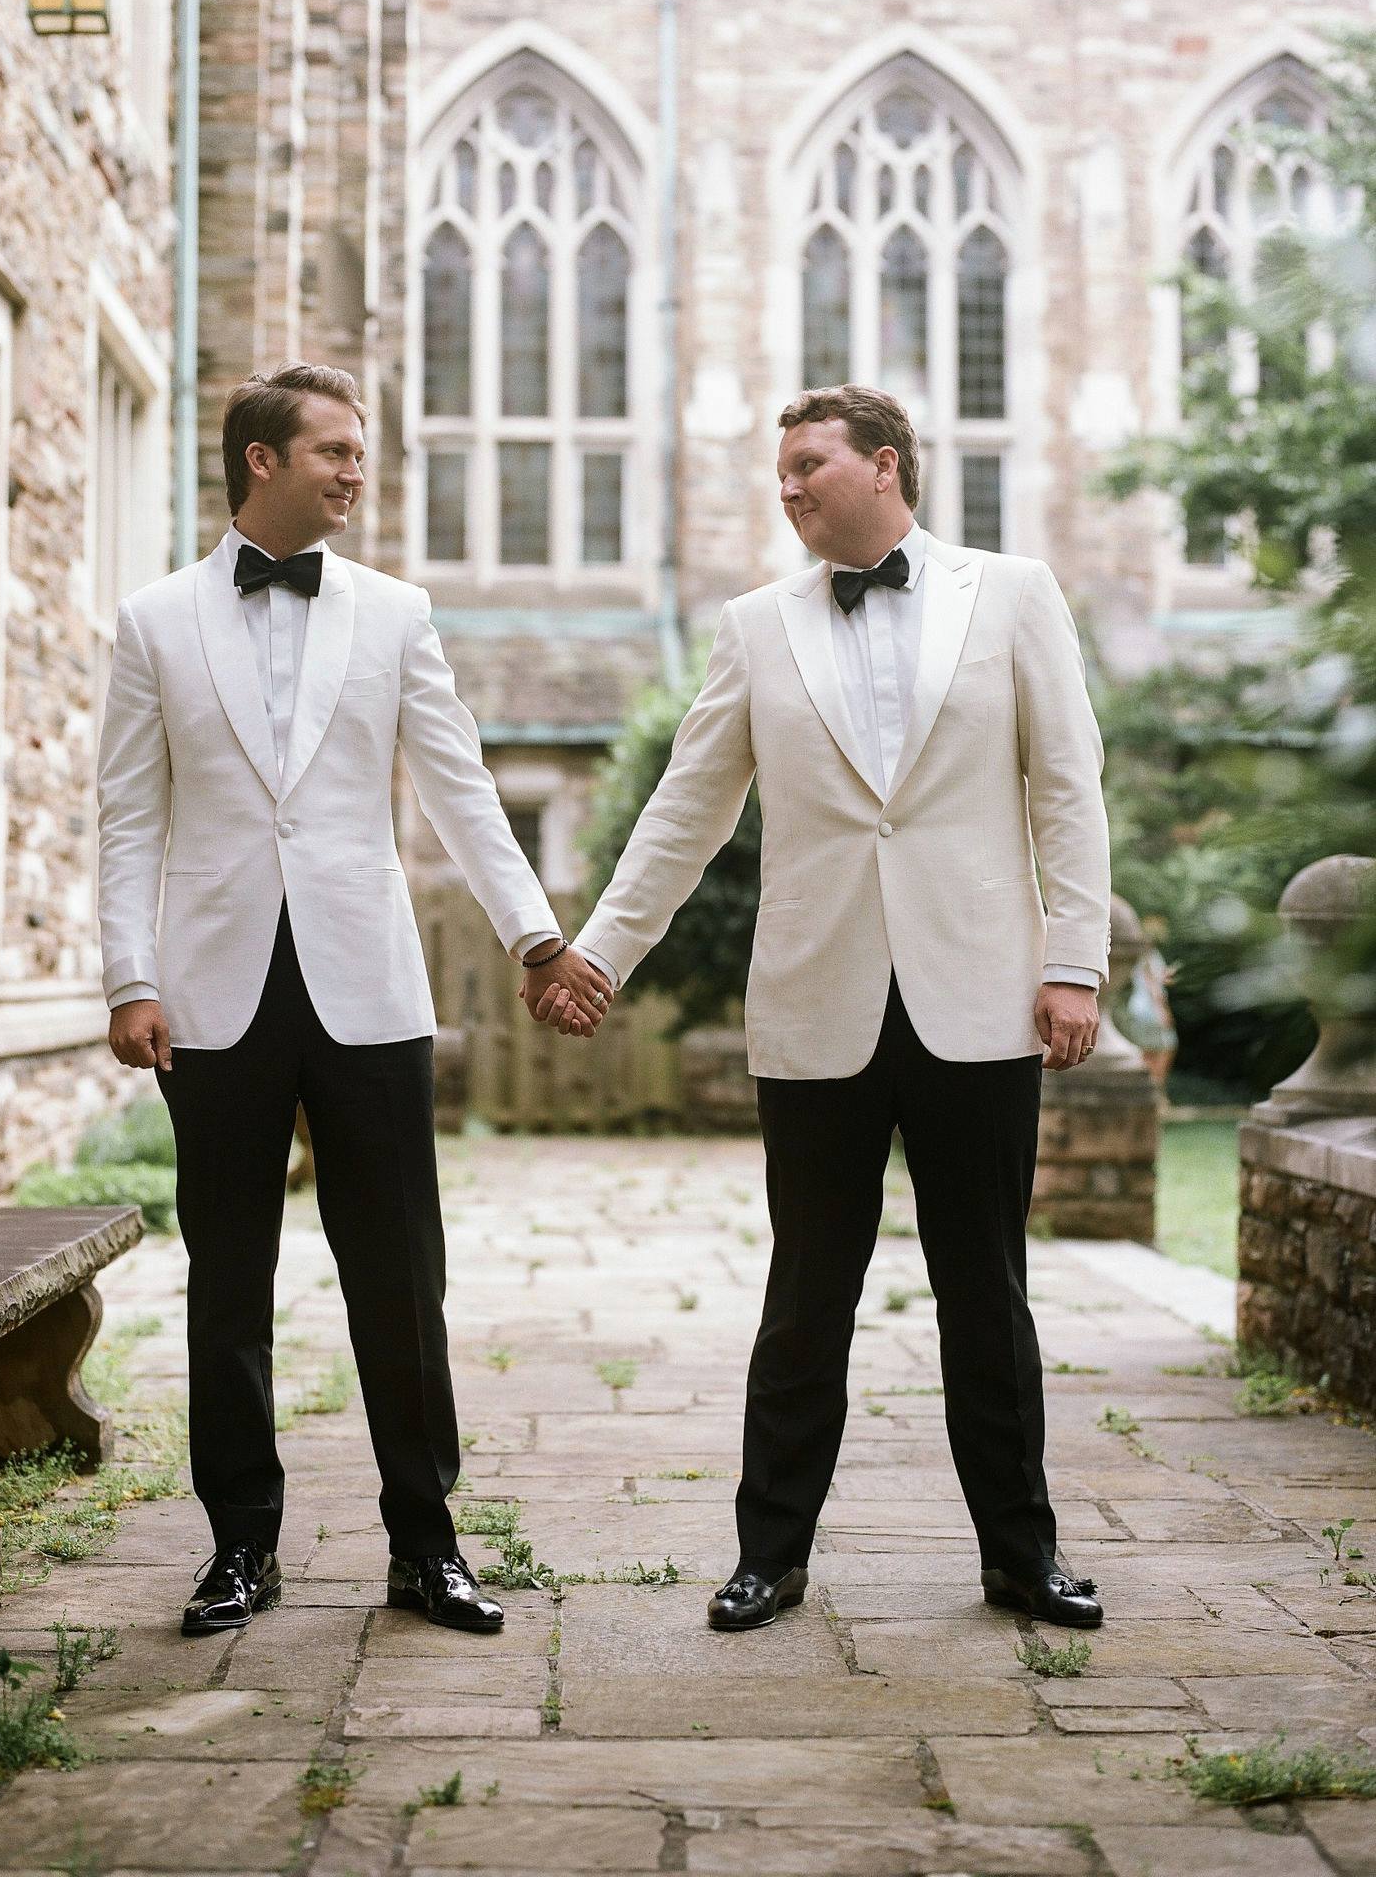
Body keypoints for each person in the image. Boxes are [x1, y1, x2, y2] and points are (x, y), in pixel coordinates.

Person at [547, 384, 1111, 1632]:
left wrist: (1075, 961)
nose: (788, 487)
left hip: (977, 998)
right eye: (781, 471)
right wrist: (600, 951)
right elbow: (686, 811)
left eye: (809, 464)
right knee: (806, 1294)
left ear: (886, 465)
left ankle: (1023, 1555)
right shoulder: (756, 628)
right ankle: (770, 1555)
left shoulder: (1012, 595)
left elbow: (1069, 787)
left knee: (988, 1291)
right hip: (818, 1002)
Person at [97, 362, 609, 1637]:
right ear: (262, 460)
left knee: (398, 1276)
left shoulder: (393, 612)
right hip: (211, 997)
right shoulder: (155, 619)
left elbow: (459, 781)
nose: (356, 468)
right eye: (333, 448)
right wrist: (129, 974)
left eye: (360, 449)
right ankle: (238, 1546)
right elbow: (126, 813)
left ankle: (427, 1545)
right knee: (229, 1279)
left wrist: (537, 938)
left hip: (368, 991)